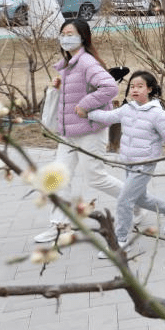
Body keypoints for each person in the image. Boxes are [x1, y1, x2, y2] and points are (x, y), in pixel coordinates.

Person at [80, 70, 165, 257]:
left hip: (145, 163)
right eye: (132, 86)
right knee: (140, 199)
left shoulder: (158, 114)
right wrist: (88, 113)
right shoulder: (127, 109)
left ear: (150, 89)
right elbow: (108, 117)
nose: (135, 89)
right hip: (128, 162)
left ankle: (120, 242)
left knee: (124, 200)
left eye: (140, 86)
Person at [33, 19, 122, 244]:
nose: (65, 37)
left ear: (82, 37)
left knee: (96, 178)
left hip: (90, 131)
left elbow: (110, 87)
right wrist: (57, 88)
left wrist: (85, 105)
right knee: (59, 177)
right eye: (62, 33)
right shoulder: (68, 65)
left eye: (70, 33)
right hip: (68, 134)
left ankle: (135, 204)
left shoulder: (86, 62)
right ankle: (61, 226)